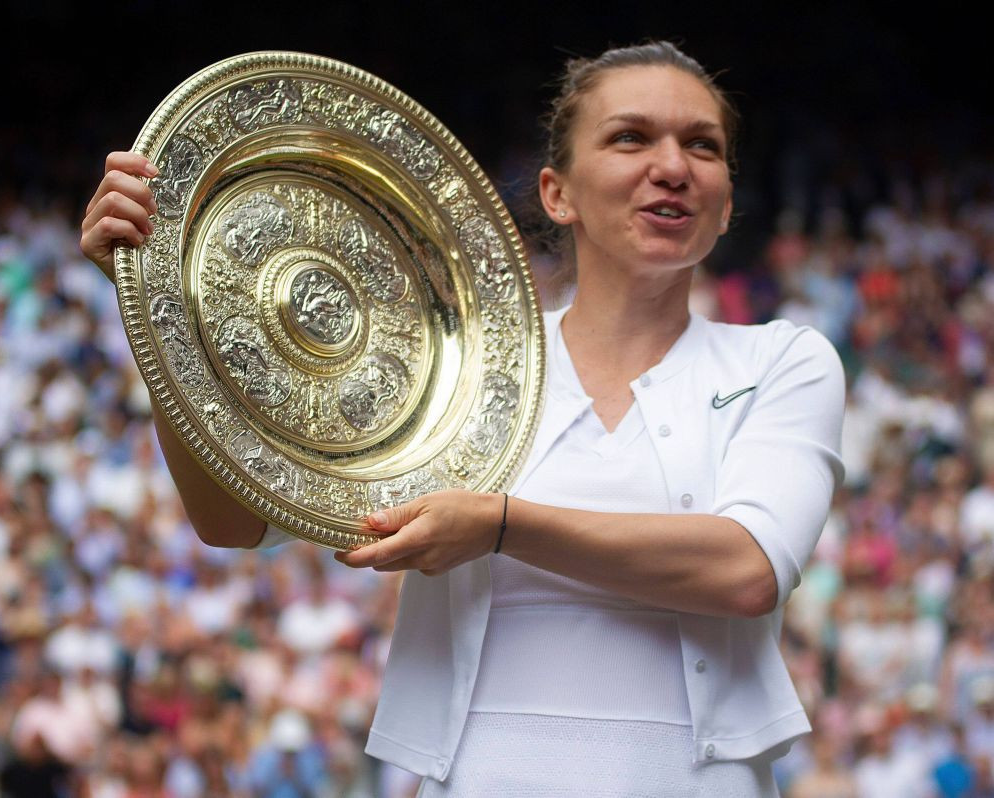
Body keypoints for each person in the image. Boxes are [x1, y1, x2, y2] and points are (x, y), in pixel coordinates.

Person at [81, 41, 845, 796]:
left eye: (702, 147)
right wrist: (156, 311)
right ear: (558, 193)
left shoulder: (782, 362)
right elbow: (232, 524)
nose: (672, 166)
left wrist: (501, 525)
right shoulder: (452, 369)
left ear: (727, 203)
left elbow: (746, 570)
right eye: (630, 137)